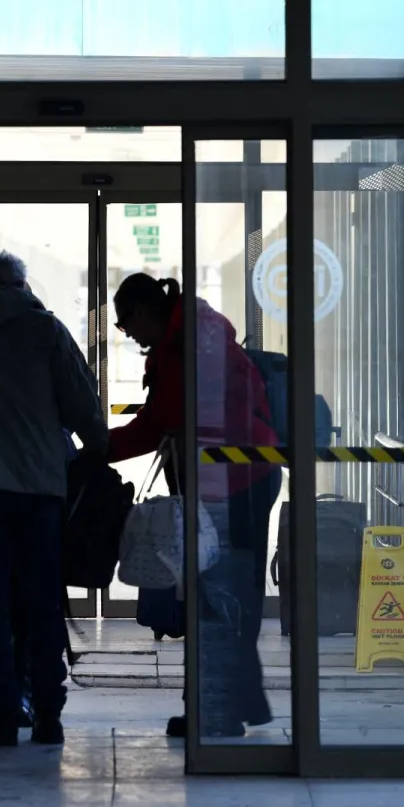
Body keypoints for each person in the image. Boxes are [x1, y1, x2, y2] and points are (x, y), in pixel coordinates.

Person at [0, 251, 108, 747]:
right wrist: (97, 444)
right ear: (19, 284)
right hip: (38, 488)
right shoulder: (44, 329)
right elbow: (80, 401)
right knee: (41, 602)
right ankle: (49, 716)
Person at [104, 273, 280, 740]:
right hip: (235, 476)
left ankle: (217, 709)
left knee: (217, 596)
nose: (131, 336)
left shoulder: (188, 343)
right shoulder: (185, 337)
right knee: (222, 595)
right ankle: (234, 703)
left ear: (143, 312)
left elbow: (162, 419)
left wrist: (94, 450)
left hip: (236, 479)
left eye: (126, 325)